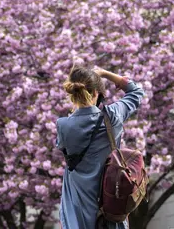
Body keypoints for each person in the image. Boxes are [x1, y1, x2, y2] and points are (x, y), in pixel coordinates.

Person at [56, 66, 144, 229]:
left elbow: (63, 146)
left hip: (76, 216)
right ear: (97, 92)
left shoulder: (63, 126)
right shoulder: (112, 116)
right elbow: (137, 91)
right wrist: (105, 73)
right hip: (109, 212)